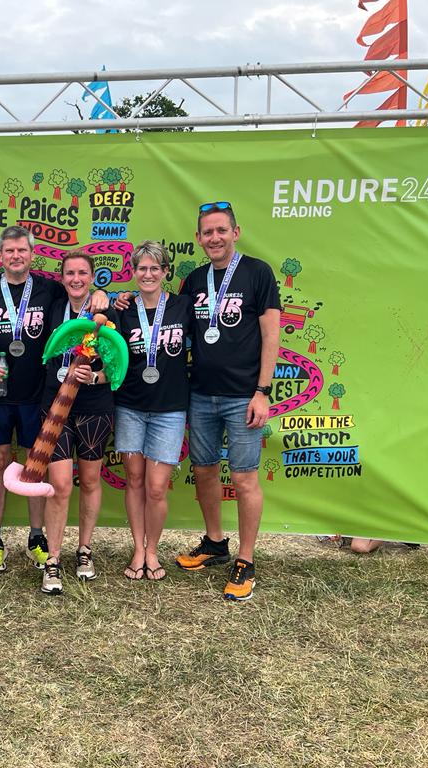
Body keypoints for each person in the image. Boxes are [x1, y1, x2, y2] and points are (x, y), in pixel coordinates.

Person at [0, 226, 108, 573]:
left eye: (22, 251)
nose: (16, 256)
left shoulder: (50, 290)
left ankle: (36, 537)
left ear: (32, 255)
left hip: (38, 397)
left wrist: (105, 292)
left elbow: (86, 297)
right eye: (9, 251)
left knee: (36, 466)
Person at [174, 202, 280, 602]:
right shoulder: (195, 280)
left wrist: (263, 391)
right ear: (199, 239)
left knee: (243, 477)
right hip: (200, 394)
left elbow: (271, 335)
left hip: (243, 396)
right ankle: (216, 544)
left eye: (221, 230)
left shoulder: (258, 273)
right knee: (203, 471)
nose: (214, 238)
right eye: (207, 232)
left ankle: (246, 559)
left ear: (236, 232)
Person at [38, 251, 117, 594]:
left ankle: (84, 551)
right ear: (62, 277)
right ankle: (52, 559)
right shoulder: (54, 304)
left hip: (94, 407)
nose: (75, 279)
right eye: (69, 273)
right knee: (59, 485)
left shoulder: (107, 311)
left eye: (82, 273)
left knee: (89, 479)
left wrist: (94, 377)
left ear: (92, 276)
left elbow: (116, 367)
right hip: (55, 407)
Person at [113, 241, 193, 582]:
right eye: (141, 269)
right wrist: (111, 295)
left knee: (157, 487)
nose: (148, 274)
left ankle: (152, 550)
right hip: (129, 405)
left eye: (154, 268)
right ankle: (136, 548)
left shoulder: (183, 307)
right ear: (134, 272)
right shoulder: (123, 309)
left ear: (164, 272)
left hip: (170, 408)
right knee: (133, 480)